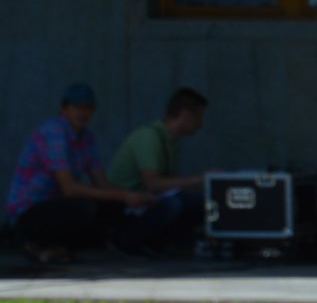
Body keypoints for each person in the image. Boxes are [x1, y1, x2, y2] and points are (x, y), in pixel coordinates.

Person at [5, 83, 151, 263]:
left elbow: (102, 184)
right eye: (77, 107)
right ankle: (36, 243)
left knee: (115, 207)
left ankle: (62, 247)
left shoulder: (87, 138)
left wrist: (134, 197)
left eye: (88, 108)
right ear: (64, 109)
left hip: (56, 207)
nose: (83, 113)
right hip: (30, 214)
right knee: (84, 206)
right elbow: (70, 189)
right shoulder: (55, 132)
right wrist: (123, 195)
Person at [105, 87, 211, 255]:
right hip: (124, 206)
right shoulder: (149, 137)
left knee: (205, 203)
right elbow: (153, 184)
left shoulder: (170, 142)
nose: (201, 124)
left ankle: (154, 241)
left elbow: (166, 186)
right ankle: (124, 240)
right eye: (199, 117)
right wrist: (199, 179)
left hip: (145, 202)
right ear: (185, 115)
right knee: (172, 205)